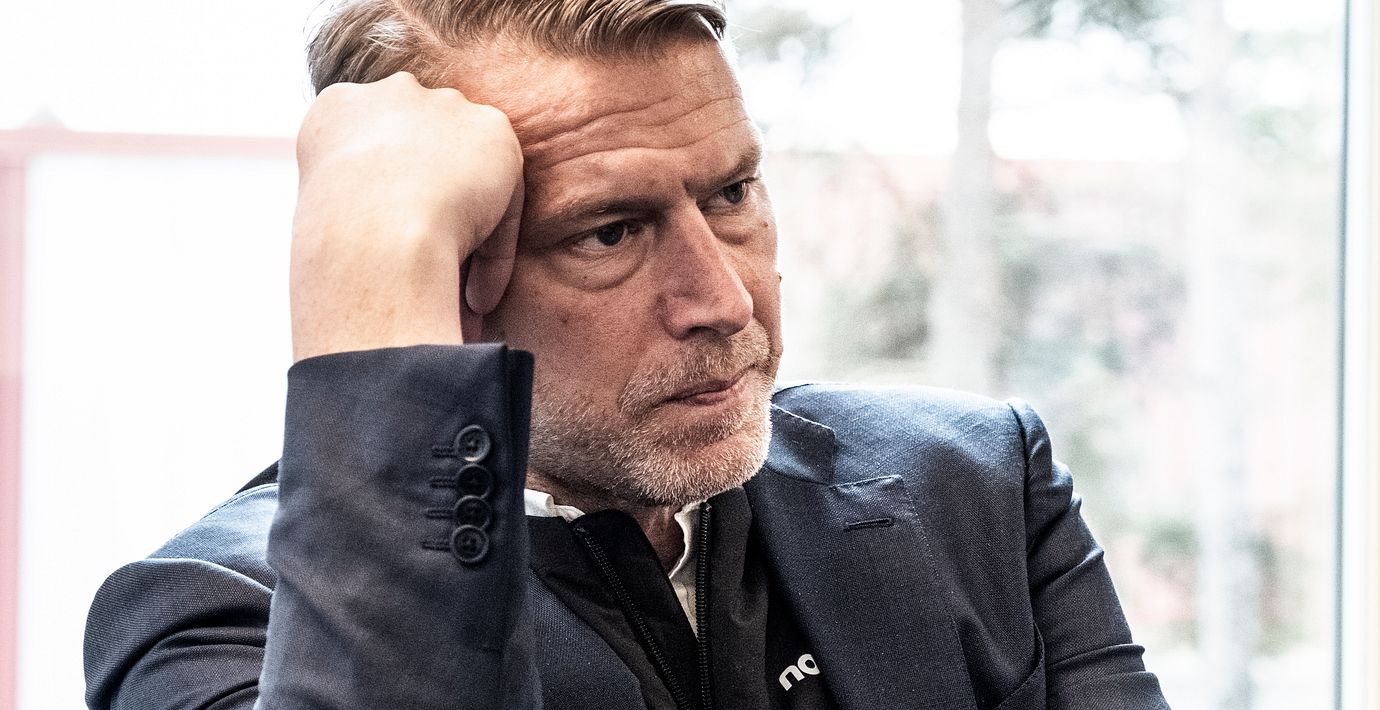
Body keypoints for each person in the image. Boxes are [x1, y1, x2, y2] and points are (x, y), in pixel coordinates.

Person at [82, 1, 1172, 708]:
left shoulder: (976, 485)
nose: (724, 299)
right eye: (609, 232)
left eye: (732, 193)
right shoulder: (218, 620)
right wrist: (369, 263)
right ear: (448, 270)